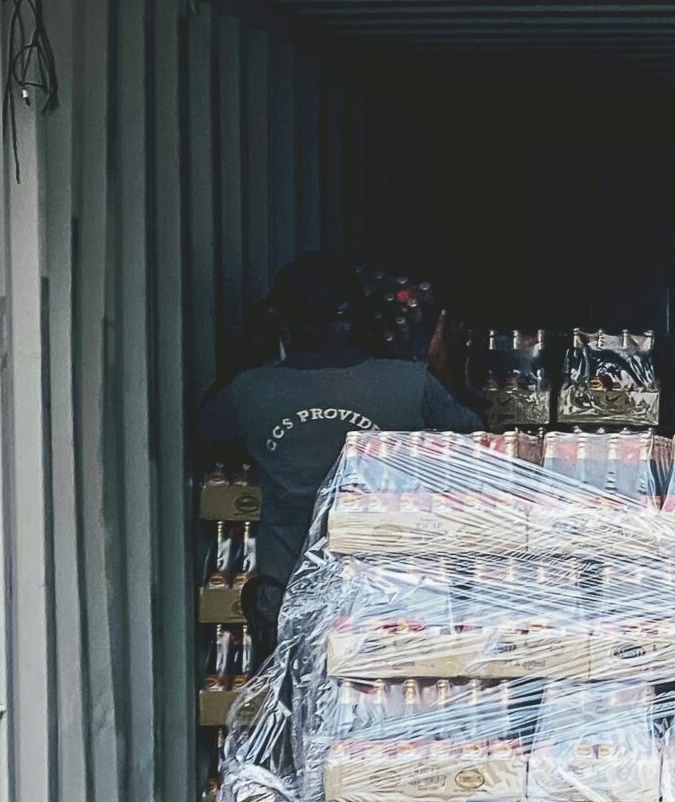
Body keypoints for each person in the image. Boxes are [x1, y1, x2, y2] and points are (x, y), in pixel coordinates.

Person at [197, 252, 480, 660]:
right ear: (361, 319)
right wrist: (442, 361)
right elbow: (481, 441)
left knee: (295, 712)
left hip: (287, 596)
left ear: (282, 322)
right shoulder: (409, 384)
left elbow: (209, 432)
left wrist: (247, 350)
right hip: (389, 596)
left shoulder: (249, 393)